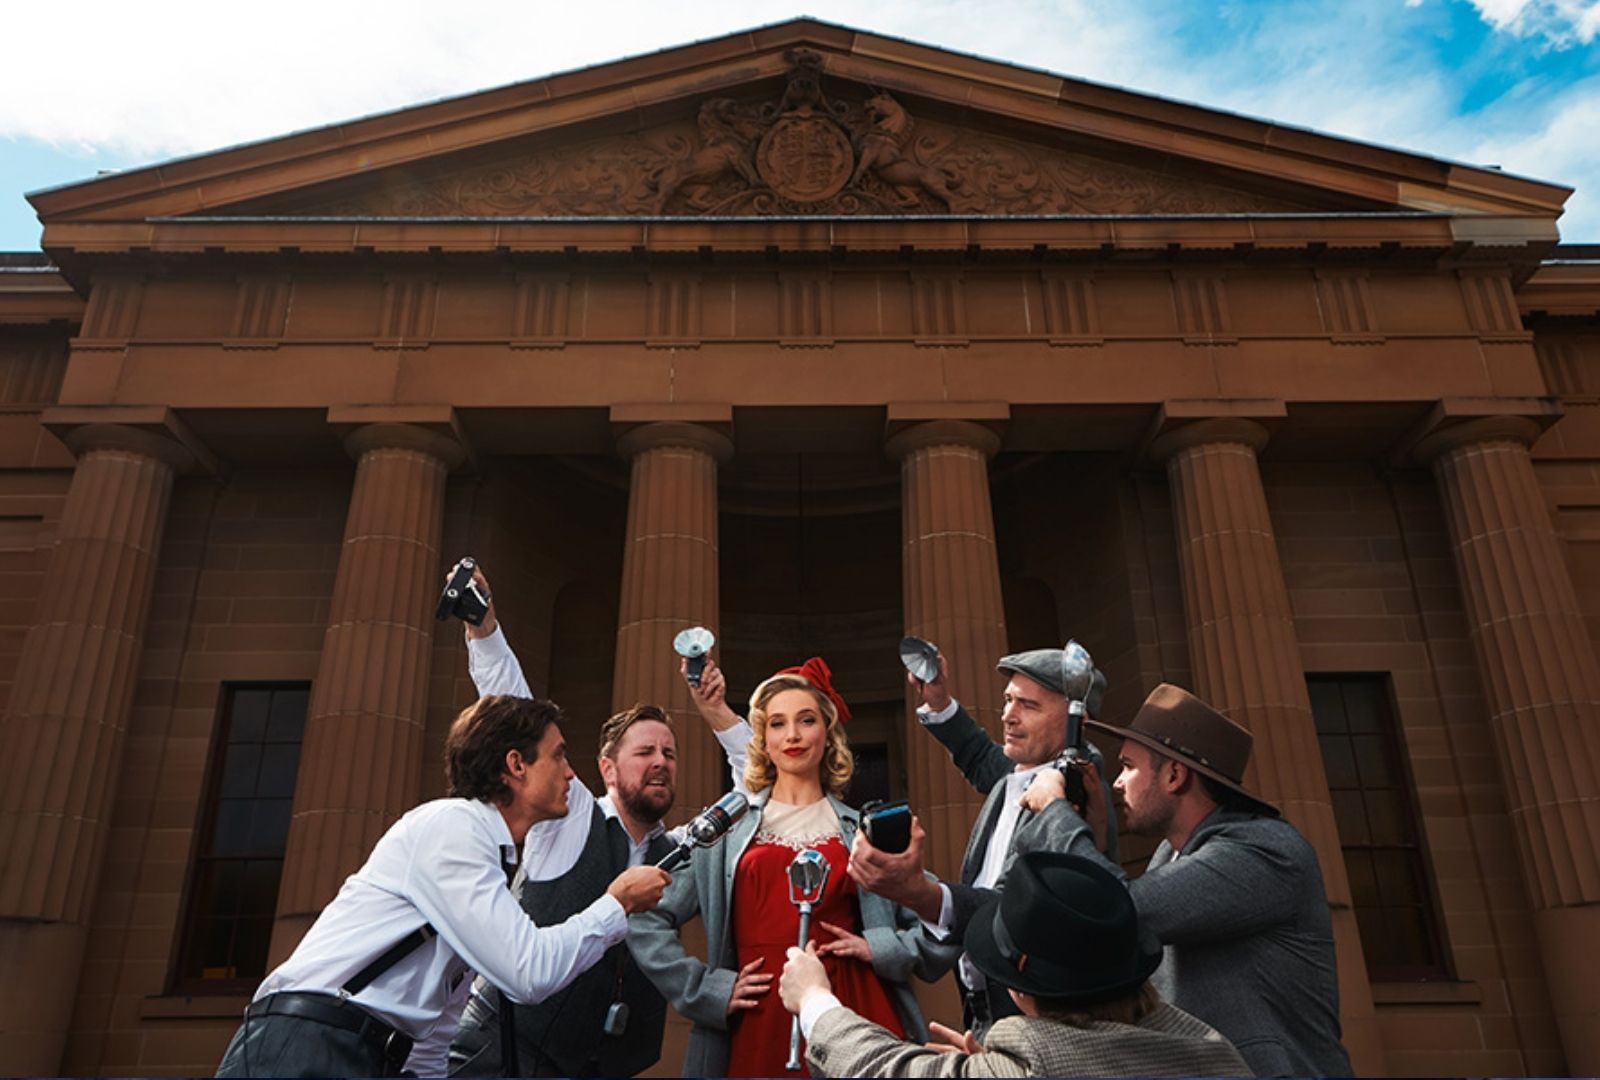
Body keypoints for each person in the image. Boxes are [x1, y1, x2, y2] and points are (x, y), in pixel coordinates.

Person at [214, 694, 670, 1078]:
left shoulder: (490, 854)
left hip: (367, 1054)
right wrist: (616, 903)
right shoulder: (454, 828)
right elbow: (528, 973)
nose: (570, 773)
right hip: (310, 1046)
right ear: (516, 764)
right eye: (558, 756)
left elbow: (439, 1016)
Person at [446, 564, 751, 1076]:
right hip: (504, 1054)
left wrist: (717, 713)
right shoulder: (568, 816)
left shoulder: (680, 850)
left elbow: (753, 791)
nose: (661, 762)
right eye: (646, 752)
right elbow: (517, 711)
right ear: (607, 768)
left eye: (671, 754)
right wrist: (483, 629)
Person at [1018, 682, 1354, 1077]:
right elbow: (1115, 935)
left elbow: (1120, 915)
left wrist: (1056, 813)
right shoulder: (1171, 854)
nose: (1116, 783)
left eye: (1128, 766)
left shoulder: (1263, 852)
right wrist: (1093, 836)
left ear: (1175, 775)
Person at [628, 657, 935, 1077]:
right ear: (763, 739)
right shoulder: (726, 830)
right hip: (754, 1018)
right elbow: (644, 917)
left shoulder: (861, 829)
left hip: (854, 1013)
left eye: (806, 720)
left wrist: (880, 948)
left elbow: (942, 917)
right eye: (777, 724)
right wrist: (704, 990)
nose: (791, 735)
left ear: (827, 733)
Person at [779, 850, 1250, 1078]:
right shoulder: (1217, 1052)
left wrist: (815, 1000)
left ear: (1021, 991)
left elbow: (887, 1070)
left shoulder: (1034, 1065)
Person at [845, 646, 1117, 1036]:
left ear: (1078, 721)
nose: (1007, 715)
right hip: (988, 1012)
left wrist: (921, 892)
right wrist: (939, 703)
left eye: (1029, 706)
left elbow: (1014, 906)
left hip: (1041, 1023)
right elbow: (980, 758)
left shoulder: (1072, 795)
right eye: (1008, 700)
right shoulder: (1023, 773)